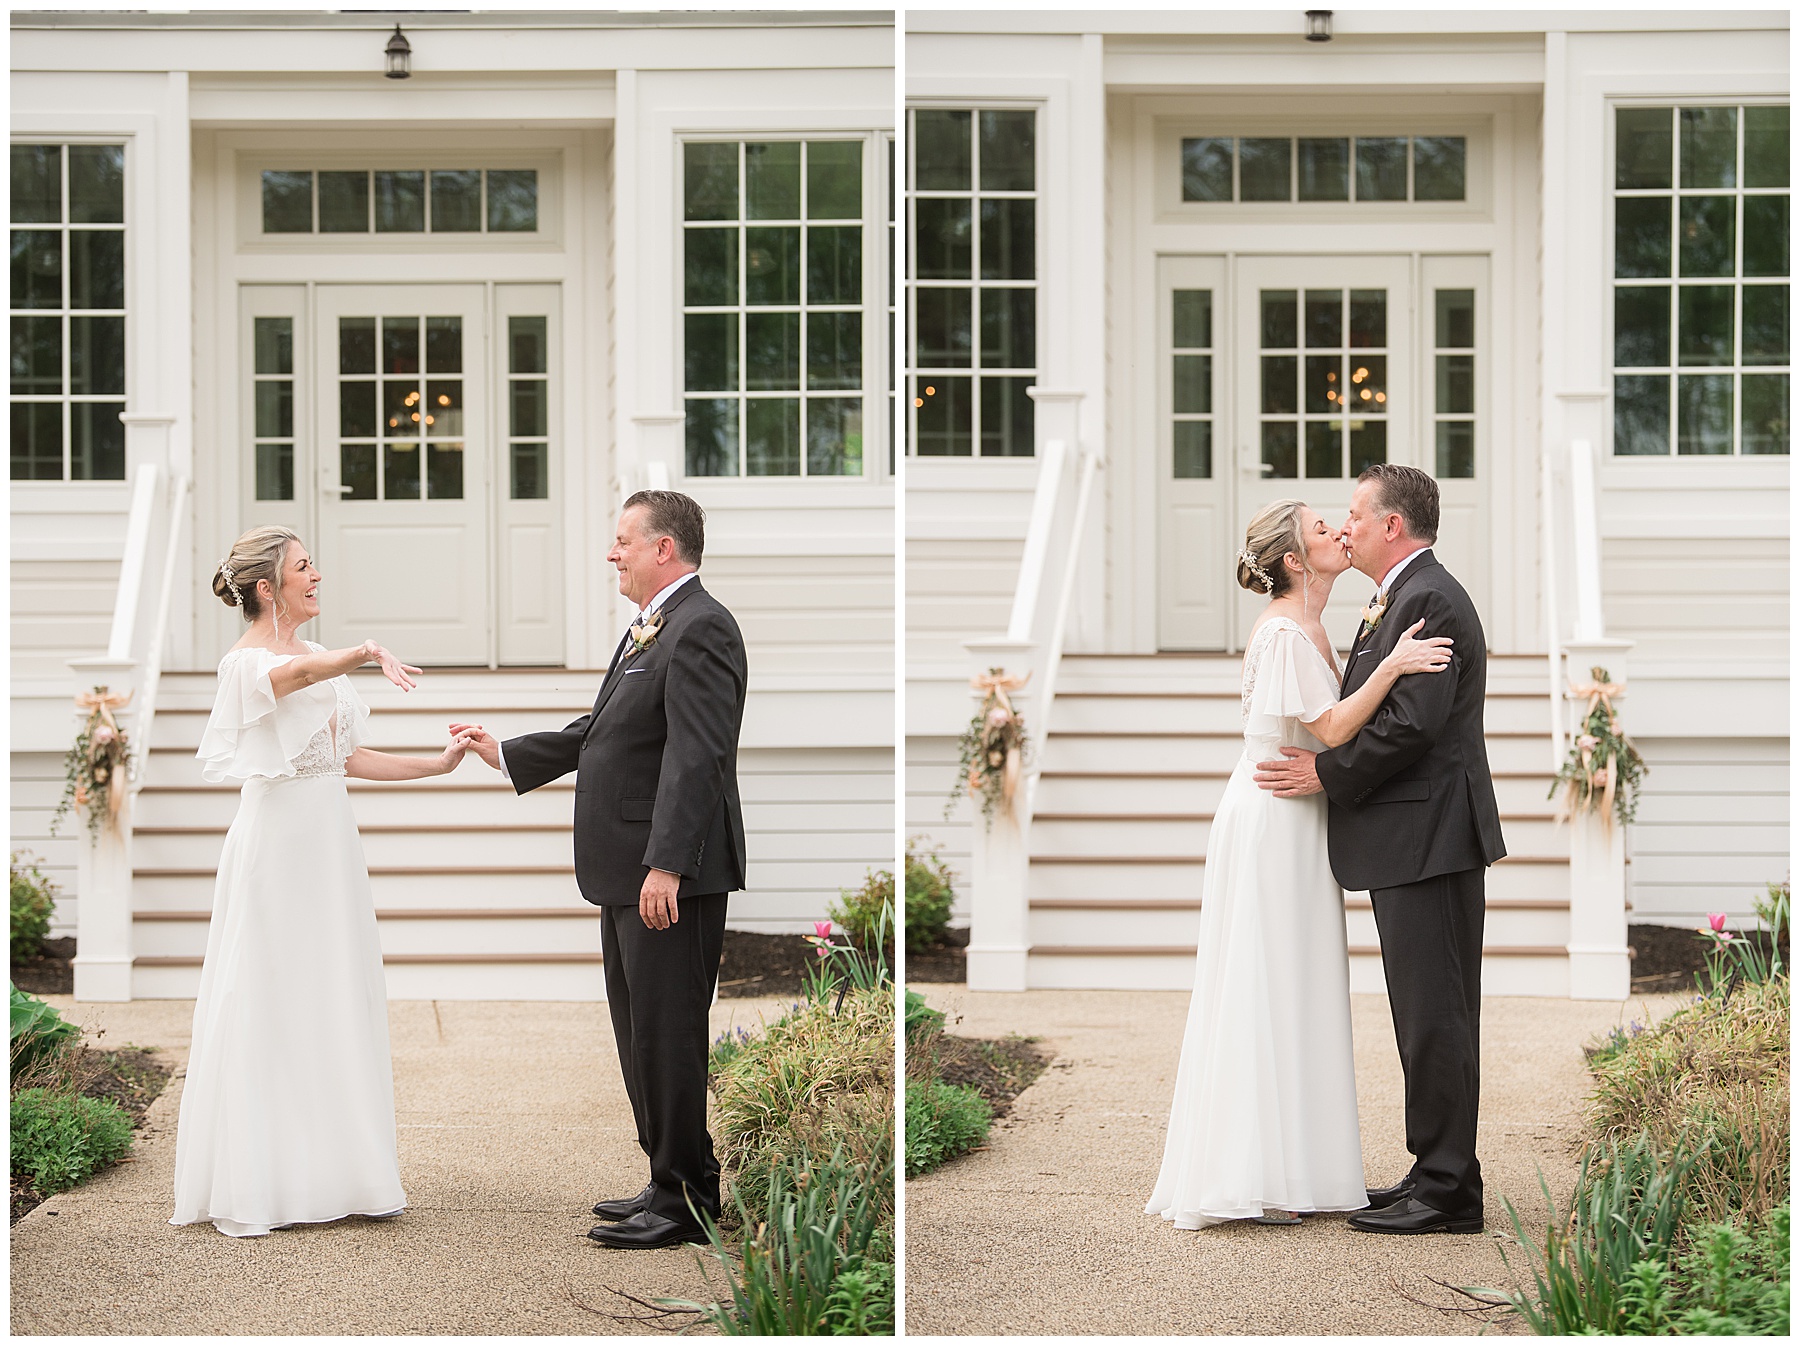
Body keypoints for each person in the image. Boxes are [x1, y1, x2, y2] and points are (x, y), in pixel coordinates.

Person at [1145, 498, 1453, 1230]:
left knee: (1295, 984)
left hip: (1302, 818)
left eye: (1341, 521)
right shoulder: (1285, 631)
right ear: (1293, 559)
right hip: (1273, 818)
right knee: (1264, 981)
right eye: (1323, 528)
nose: (1340, 532)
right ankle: (1249, 1173)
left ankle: (1293, 1168)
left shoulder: (1313, 623)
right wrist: (1399, 665)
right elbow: (1333, 726)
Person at [455, 489, 747, 1251]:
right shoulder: (654, 626)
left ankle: (688, 1202)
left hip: (665, 879)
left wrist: (667, 866)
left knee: (669, 1031)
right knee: (639, 1032)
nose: (611, 554)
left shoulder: (703, 627)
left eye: (623, 541)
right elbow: (606, 729)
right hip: (628, 871)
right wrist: (510, 753)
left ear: (664, 549)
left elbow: (698, 757)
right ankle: (667, 1175)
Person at [172, 526, 475, 1238]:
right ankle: (265, 1181)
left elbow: (343, 756)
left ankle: (343, 1173)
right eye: (304, 566)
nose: (318, 575)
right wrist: (365, 651)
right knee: (271, 998)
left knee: (333, 995)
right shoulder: (245, 665)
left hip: (329, 845)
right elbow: (290, 683)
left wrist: (436, 765)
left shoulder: (316, 658)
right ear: (266, 588)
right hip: (276, 846)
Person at [1255, 463, 1506, 1235]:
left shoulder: (1426, 597)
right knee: (1425, 1014)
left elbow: (1411, 727)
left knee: (1435, 1017)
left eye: (1357, 514)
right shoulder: (1399, 596)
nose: (1346, 525)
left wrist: (1326, 773)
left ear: (1391, 526)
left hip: (1429, 837)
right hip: (1414, 837)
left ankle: (1448, 1194)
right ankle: (1434, 1170)